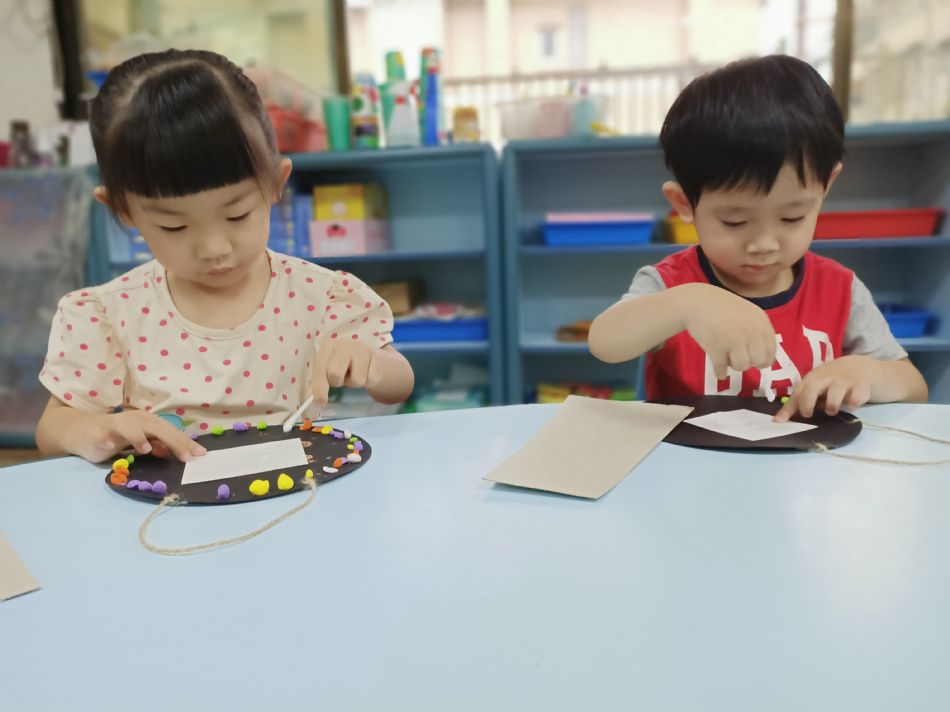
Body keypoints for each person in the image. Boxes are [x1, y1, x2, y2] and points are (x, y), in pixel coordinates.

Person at [36, 49, 414, 463]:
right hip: (168, 499)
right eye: (174, 227)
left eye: (237, 214)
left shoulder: (320, 295)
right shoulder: (110, 314)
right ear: (122, 210)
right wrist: (94, 430)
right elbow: (53, 427)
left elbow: (399, 384)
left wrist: (373, 365)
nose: (214, 249)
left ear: (276, 183)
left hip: (291, 490)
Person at [588, 55, 927, 421]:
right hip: (688, 455)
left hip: (808, 456)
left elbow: (914, 388)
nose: (764, 244)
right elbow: (604, 342)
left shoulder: (839, 289)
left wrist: (868, 373)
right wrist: (687, 304)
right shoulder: (672, 284)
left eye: (792, 217)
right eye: (734, 221)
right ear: (684, 203)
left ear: (825, 187)